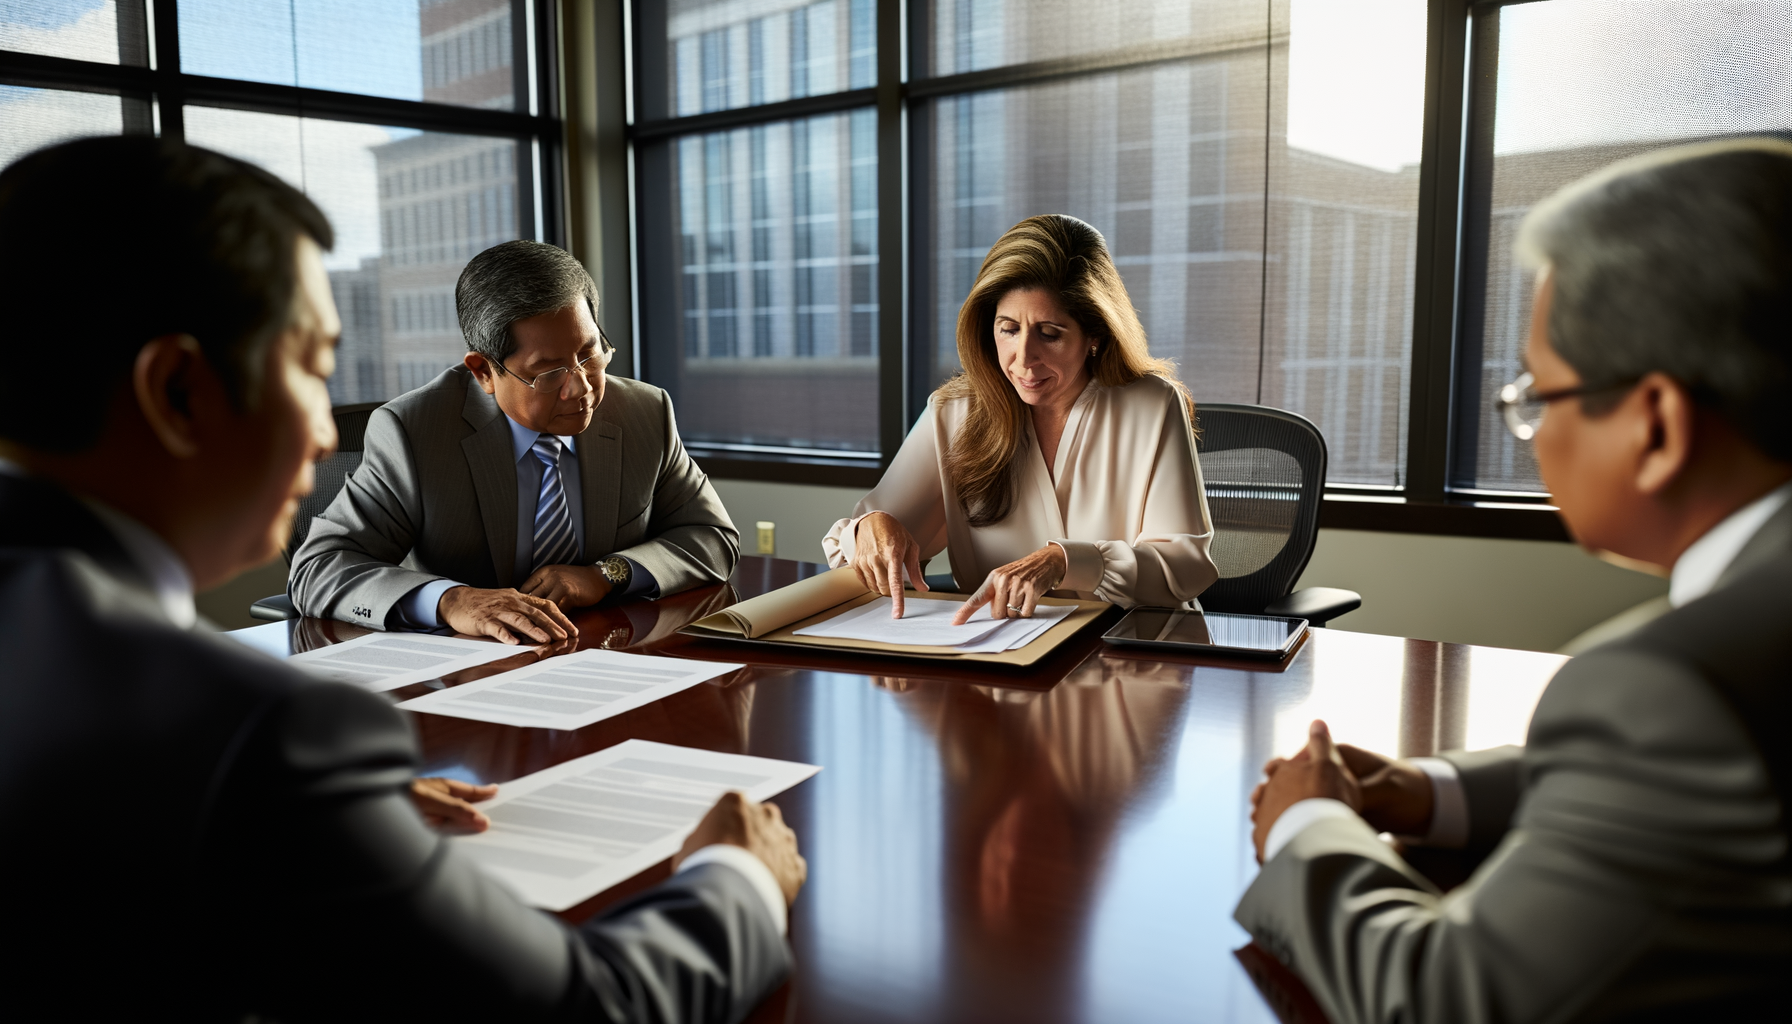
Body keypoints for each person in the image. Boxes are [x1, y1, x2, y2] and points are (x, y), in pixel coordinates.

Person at [0, 136, 803, 1021]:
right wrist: (738, 874)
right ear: (180, 391)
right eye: (312, 369)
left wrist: (321, 820)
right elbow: (588, 1007)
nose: (319, 434)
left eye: (593, 353)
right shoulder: (266, 735)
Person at [1238, 139, 1792, 1022]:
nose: (1527, 431)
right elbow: (1689, 777)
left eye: (1540, 393)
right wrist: (1429, 792)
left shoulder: (1671, 688)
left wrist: (1310, 825)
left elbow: (1448, 1000)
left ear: (1656, 425)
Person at [289, 240, 736, 644]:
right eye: (549, 372)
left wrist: (605, 575)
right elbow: (318, 568)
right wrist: (453, 601)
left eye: (589, 354)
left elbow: (713, 537)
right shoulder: (415, 432)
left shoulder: (644, 411)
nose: (580, 388)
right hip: (464, 675)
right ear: (483, 372)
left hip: (600, 651)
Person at [823, 214, 1218, 622]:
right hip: (999, 654)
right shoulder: (952, 414)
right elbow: (863, 545)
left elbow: (1185, 566)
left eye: (1050, 334)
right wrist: (869, 528)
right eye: (1008, 329)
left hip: (1132, 648)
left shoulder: (1152, 404)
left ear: (1095, 335)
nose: (1024, 360)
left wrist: (1065, 560)